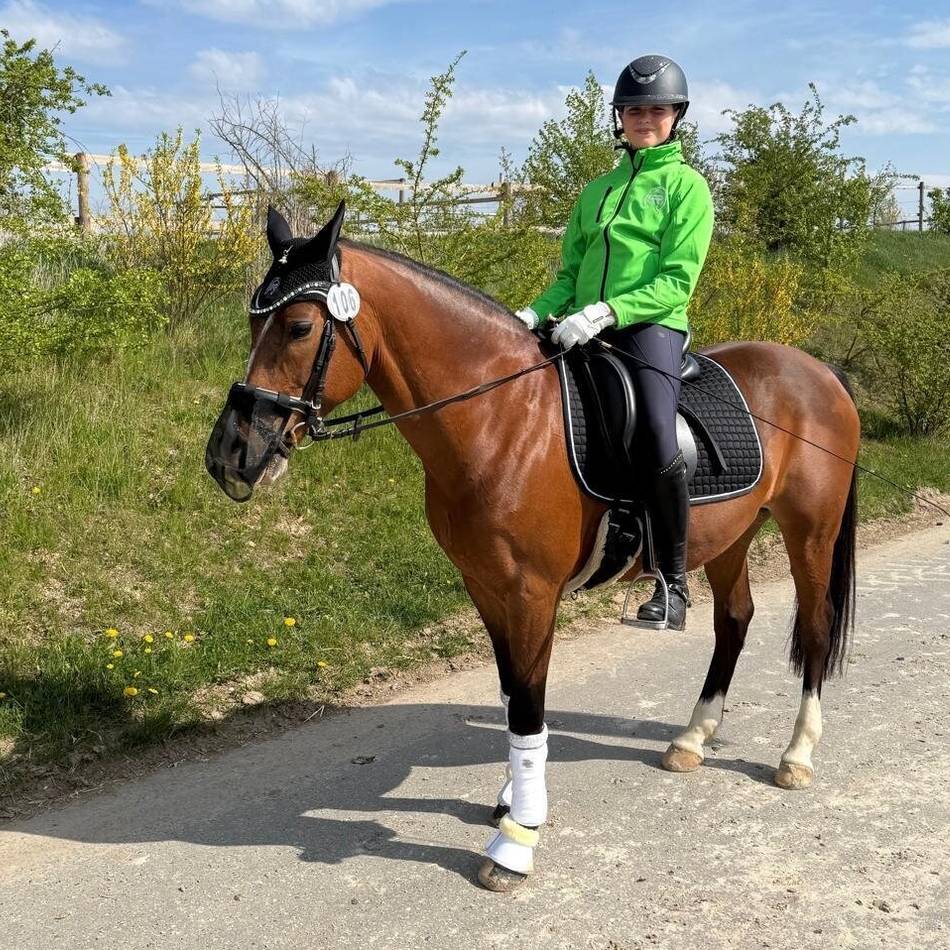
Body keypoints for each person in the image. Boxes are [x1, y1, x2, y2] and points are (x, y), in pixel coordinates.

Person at [516, 54, 714, 631]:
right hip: (581, 323)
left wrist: (608, 310)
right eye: (633, 109)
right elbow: (568, 274)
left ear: (676, 116)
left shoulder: (686, 188)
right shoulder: (596, 192)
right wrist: (536, 311)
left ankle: (673, 584)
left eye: (656, 109)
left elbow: (676, 279)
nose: (643, 118)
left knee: (654, 430)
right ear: (619, 117)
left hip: (649, 326)